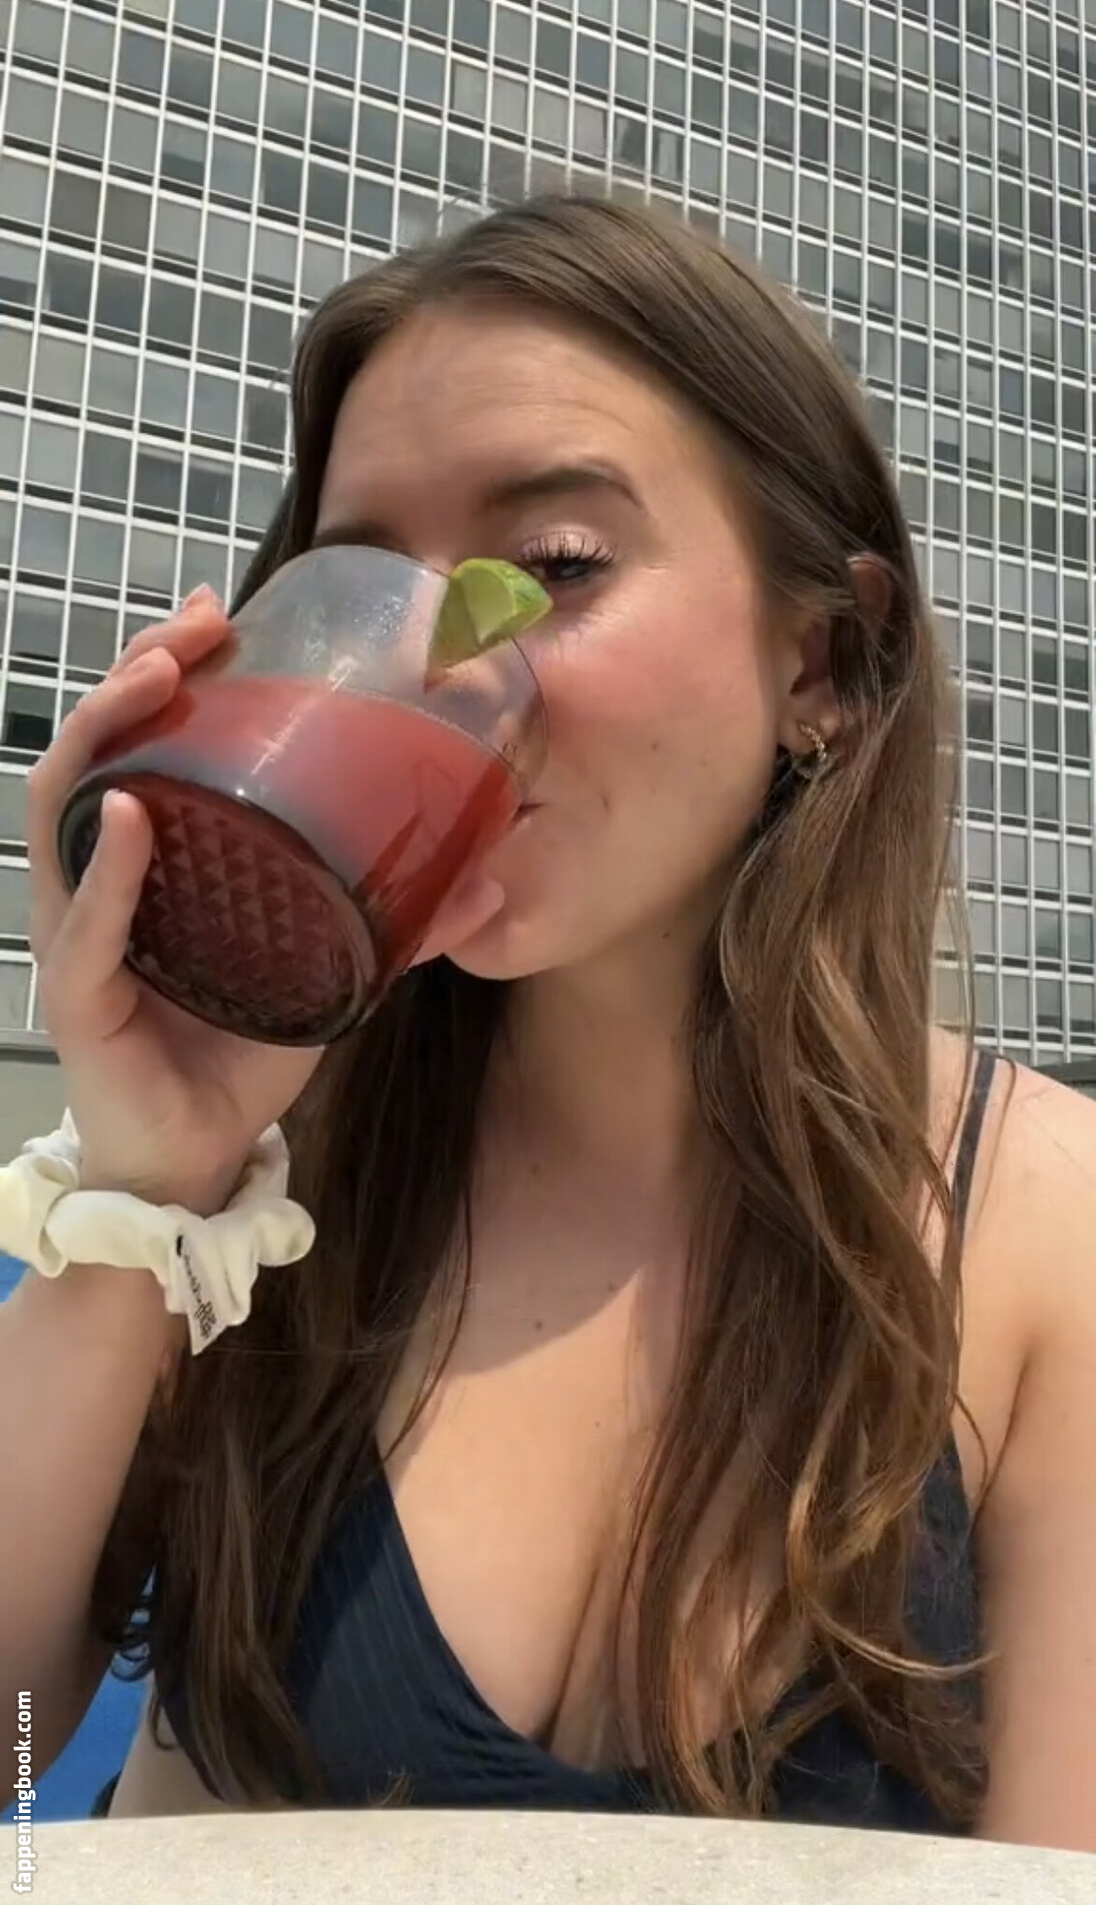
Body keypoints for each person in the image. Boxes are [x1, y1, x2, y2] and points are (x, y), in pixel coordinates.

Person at [2, 194, 1094, 1850]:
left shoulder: (1044, 1233)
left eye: (555, 567)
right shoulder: (266, 1187)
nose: (434, 663)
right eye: (362, 585)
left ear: (824, 661)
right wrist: (147, 1179)